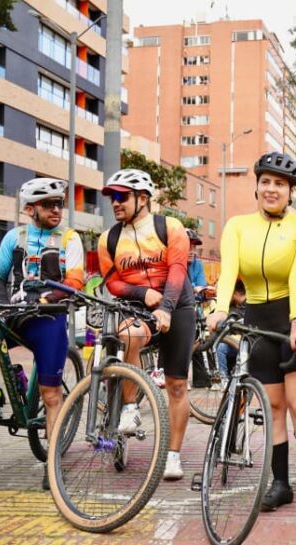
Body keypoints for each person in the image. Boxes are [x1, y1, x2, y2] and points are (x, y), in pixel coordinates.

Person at [205, 152, 296, 518]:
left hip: (294, 317)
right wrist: (219, 309)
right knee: (273, 407)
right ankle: (281, 484)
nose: (272, 189)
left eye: (280, 184)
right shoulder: (237, 226)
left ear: (291, 191)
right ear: (257, 187)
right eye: (266, 182)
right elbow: (229, 272)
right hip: (256, 319)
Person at [97, 168, 195, 481]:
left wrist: (166, 307)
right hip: (139, 305)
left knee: (177, 385)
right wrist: (143, 294)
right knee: (129, 334)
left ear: (143, 198)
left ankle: (173, 455)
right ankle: (129, 407)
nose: (115, 202)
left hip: (178, 303)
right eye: (112, 197)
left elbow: (177, 270)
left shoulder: (170, 227)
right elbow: (112, 282)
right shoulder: (109, 239)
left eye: (122, 196)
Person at [0, 177, 84, 489]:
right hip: (15, 314)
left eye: (59, 203)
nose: (56, 209)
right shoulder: (14, 237)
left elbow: (74, 283)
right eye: (48, 204)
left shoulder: (70, 238)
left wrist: (46, 299)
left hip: (49, 317)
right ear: (30, 209)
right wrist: (3, 306)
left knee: (51, 394)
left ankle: (53, 465)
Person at [215, 279, 246, 380]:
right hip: (234, 342)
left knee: (222, 347)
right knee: (221, 347)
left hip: (247, 342)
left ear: (235, 293)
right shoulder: (232, 306)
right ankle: (223, 378)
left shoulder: (248, 304)